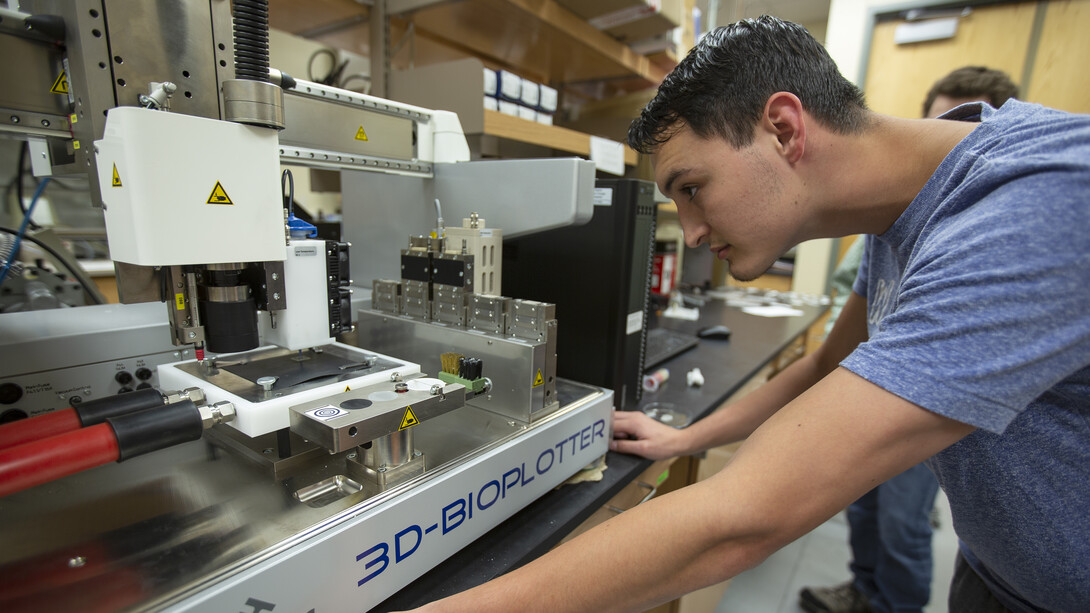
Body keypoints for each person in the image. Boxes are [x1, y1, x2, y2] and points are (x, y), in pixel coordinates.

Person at [401, 16, 1090, 613]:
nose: (692, 232)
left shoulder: (1030, 205)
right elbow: (827, 364)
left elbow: (746, 518)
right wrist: (683, 439)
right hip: (998, 575)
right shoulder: (907, 207)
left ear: (784, 129)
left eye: (693, 188)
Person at [801, 65, 1022, 613]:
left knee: (902, 522)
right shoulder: (892, 222)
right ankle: (865, 590)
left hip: (929, 416)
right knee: (865, 508)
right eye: (940, 119)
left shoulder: (1000, 224)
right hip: (876, 398)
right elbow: (838, 343)